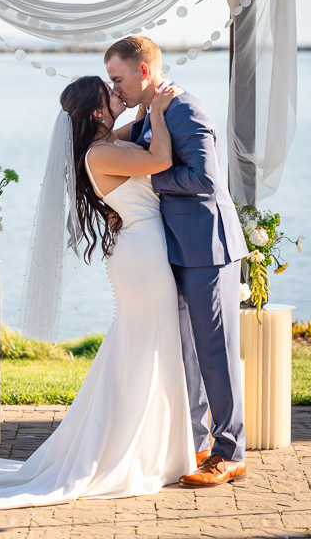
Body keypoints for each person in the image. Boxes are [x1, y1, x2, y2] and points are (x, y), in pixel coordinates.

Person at [0, 75, 206, 511]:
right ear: (96, 112)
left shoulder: (107, 143)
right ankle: (139, 451)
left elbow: (134, 131)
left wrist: (145, 109)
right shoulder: (101, 153)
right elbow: (160, 159)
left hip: (141, 251)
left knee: (145, 348)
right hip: (142, 255)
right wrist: (159, 112)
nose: (116, 92)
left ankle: (155, 447)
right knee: (148, 347)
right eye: (109, 92)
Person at [104, 36, 247, 487]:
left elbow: (205, 179)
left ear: (144, 71)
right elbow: (110, 145)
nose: (115, 87)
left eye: (118, 78)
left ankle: (231, 453)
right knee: (187, 353)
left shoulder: (184, 109)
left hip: (207, 249)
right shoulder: (152, 114)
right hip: (173, 250)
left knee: (216, 353)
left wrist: (148, 179)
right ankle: (199, 444)